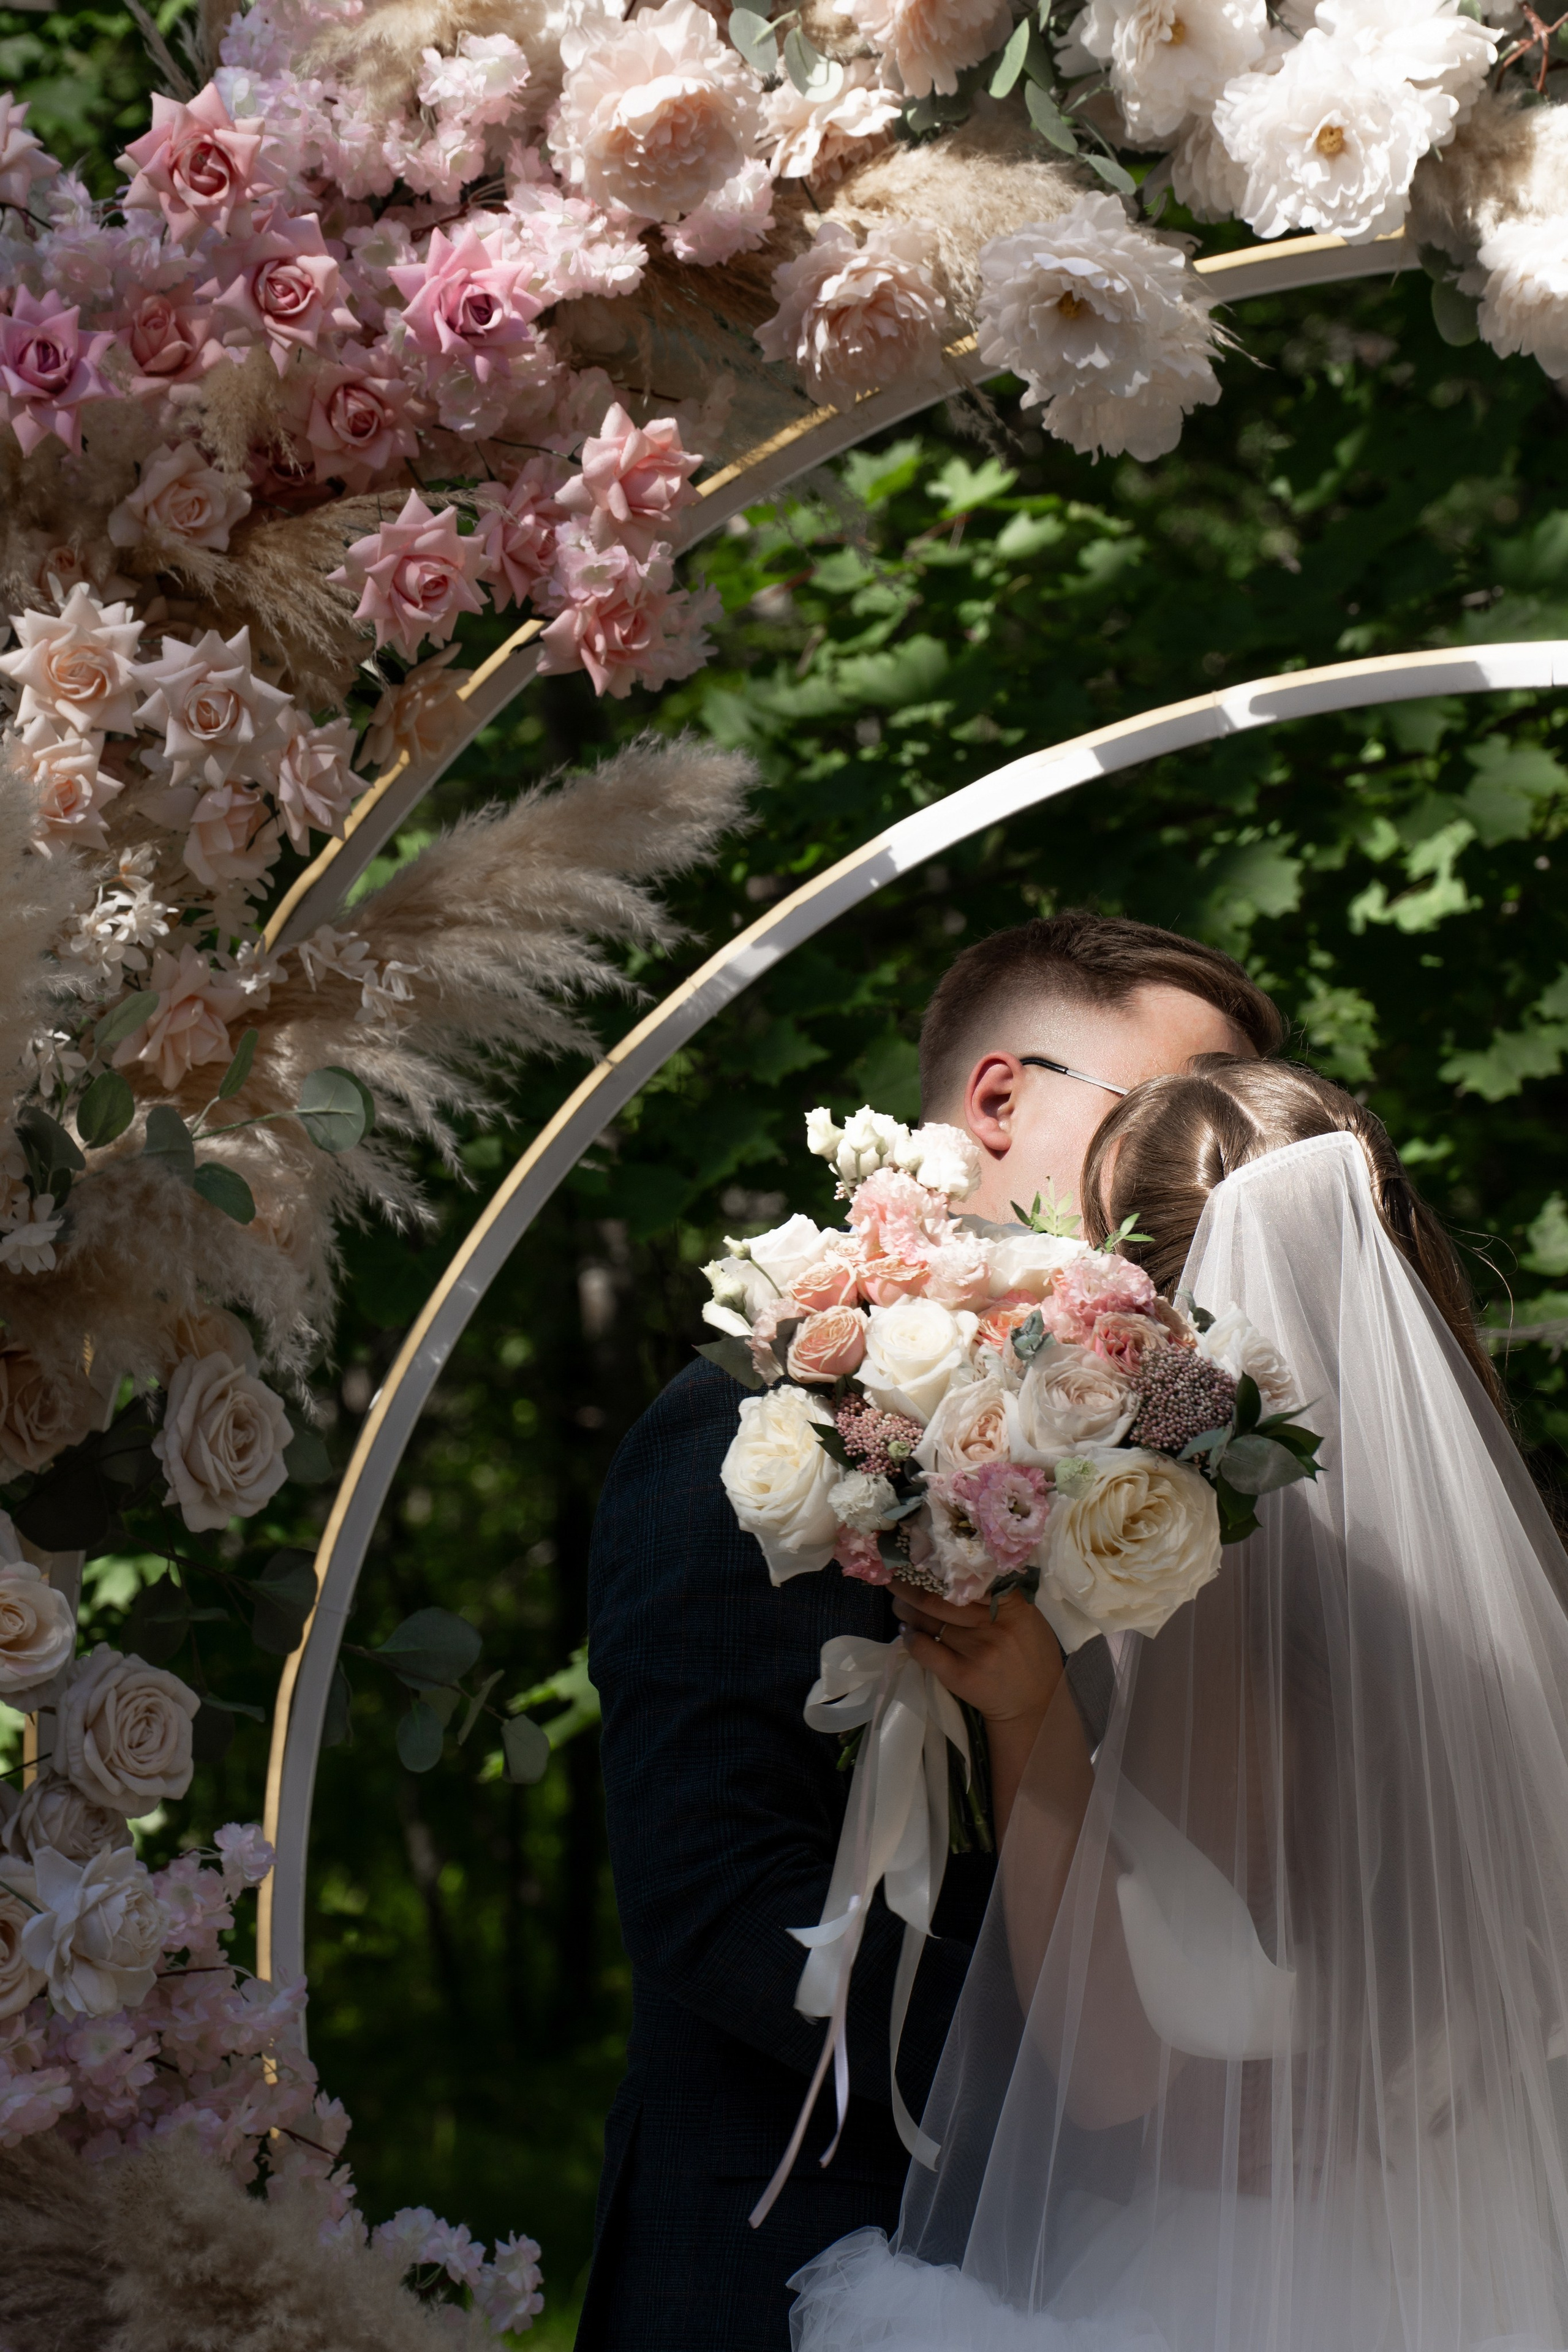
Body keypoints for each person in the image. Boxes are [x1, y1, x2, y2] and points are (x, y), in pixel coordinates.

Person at [576, 916, 1285, 2352]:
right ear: (1000, 1099)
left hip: (1120, 2256)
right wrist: (1080, 2080)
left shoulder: (1179, 1445)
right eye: (1152, 1116)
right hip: (792, 2234)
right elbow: (713, 1891)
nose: (1192, 1180)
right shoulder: (745, 1424)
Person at [790, 1059, 1568, 2352]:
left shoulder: (1226, 1633)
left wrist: (1029, 1721)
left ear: (1139, 1315)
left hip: (1263, 2276)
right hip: (1490, 2237)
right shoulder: (1499, 1597)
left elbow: (1109, 2075)